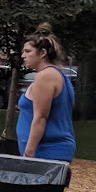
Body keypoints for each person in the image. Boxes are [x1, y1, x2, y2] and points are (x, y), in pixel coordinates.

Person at [18, 26, 76, 162]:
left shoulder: (46, 76)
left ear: (42, 53)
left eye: (27, 51)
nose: (23, 56)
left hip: (46, 151)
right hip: (50, 150)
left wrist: (28, 154)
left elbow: (41, 118)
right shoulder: (58, 75)